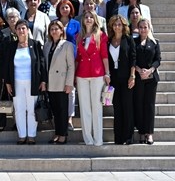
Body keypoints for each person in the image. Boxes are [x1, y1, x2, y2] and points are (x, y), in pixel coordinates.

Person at [3, 19, 46, 144]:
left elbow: (42, 63)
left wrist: (43, 81)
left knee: (32, 109)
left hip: (32, 82)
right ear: (15, 31)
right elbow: (7, 65)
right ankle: (22, 135)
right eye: (19, 28)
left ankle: (31, 135)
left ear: (28, 30)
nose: (21, 31)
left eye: (23, 28)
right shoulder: (11, 46)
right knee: (19, 109)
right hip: (16, 82)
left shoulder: (36, 44)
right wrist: (8, 83)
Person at [74, 9, 110, 146]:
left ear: (95, 20)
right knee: (84, 108)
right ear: (83, 20)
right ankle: (88, 139)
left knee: (96, 107)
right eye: (86, 17)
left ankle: (98, 139)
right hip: (82, 74)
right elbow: (77, 57)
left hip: (97, 73)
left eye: (91, 17)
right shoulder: (79, 36)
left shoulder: (101, 35)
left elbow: (105, 55)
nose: (88, 19)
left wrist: (107, 73)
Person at [105, 14, 138, 145]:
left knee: (127, 107)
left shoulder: (128, 40)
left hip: (126, 78)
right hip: (114, 79)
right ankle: (118, 137)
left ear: (123, 26)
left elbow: (133, 58)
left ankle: (128, 137)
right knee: (117, 108)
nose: (117, 27)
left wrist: (132, 75)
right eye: (115, 24)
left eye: (119, 24)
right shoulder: (109, 41)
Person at [131, 9, 162, 145]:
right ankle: (141, 132)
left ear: (149, 28)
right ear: (138, 28)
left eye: (145, 27)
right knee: (139, 105)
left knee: (149, 106)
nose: (143, 29)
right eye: (141, 27)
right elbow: (132, 58)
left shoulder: (154, 42)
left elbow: (158, 59)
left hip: (151, 78)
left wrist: (149, 70)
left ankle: (149, 133)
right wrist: (138, 70)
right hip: (138, 77)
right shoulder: (134, 42)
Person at [44, 19, 75, 144]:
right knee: (55, 110)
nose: (54, 31)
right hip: (51, 82)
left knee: (62, 109)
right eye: (52, 29)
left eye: (56, 29)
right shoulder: (47, 45)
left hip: (62, 82)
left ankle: (63, 134)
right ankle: (57, 132)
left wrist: (69, 83)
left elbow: (71, 66)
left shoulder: (67, 45)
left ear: (62, 30)